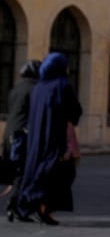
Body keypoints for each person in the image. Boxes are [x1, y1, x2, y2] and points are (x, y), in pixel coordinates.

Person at [16, 53, 82, 226]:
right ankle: (45, 208)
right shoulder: (62, 86)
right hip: (55, 138)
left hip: (36, 139)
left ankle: (34, 204)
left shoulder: (38, 88)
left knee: (39, 169)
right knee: (60, 173)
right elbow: (75, 112)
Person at [3, 59, 40, 222]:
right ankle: (15, 205)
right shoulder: (34, 90)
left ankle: (17, 206)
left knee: (17, 171)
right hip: (23, 135)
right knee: (24, 172)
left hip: (9, 133)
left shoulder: (16, 89)